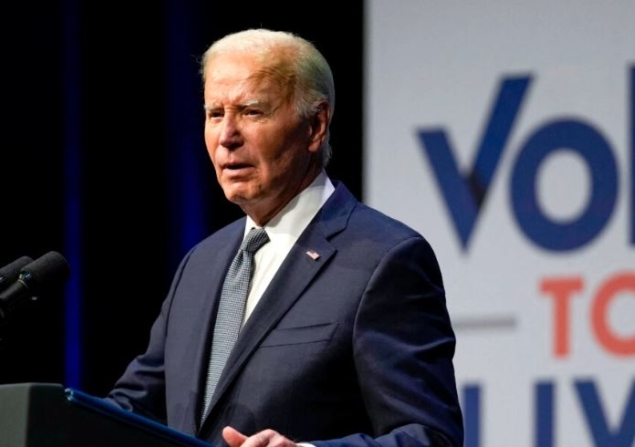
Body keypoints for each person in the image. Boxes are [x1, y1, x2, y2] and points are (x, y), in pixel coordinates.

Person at [103, 28, 464, 447]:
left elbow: (431, 437)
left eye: (252, 112)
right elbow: (132, 409)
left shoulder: (384, 259)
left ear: (315, 125)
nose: (227, 136)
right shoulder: (200, 264)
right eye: (215, 114)